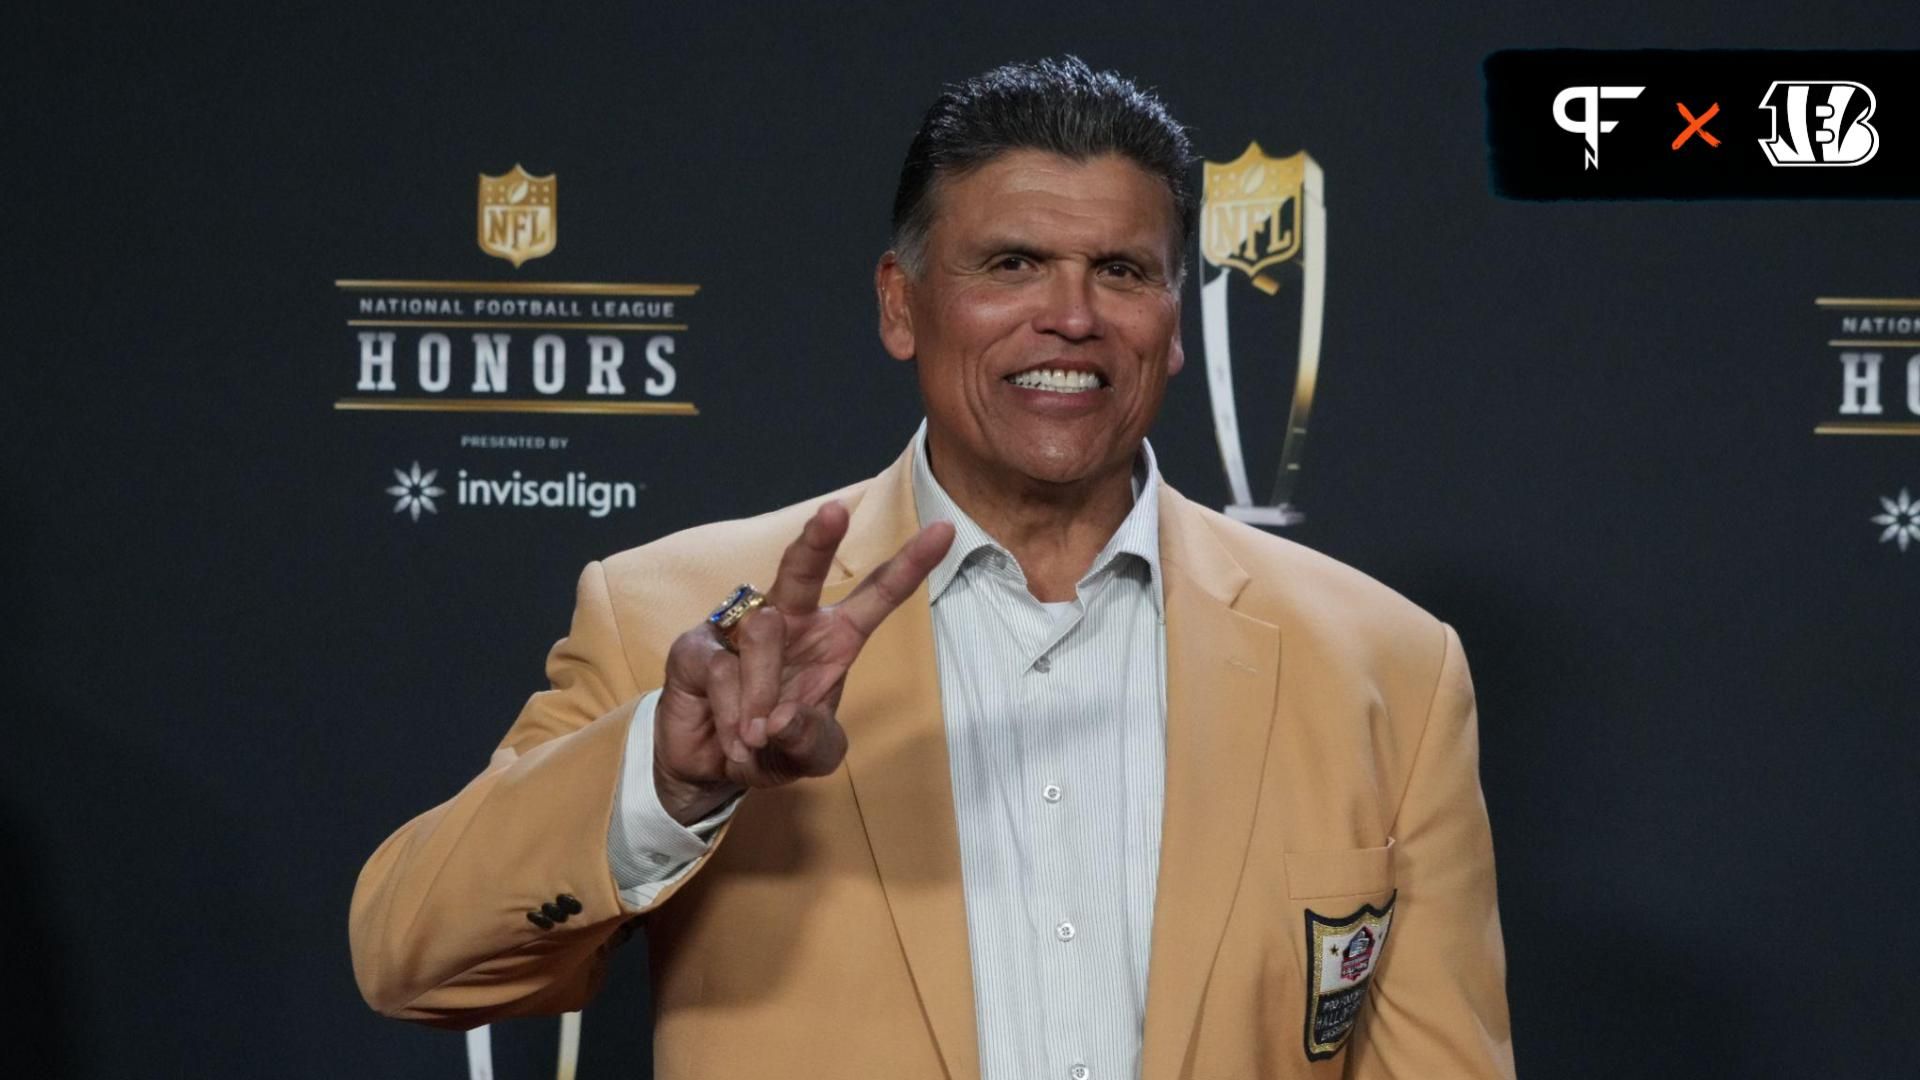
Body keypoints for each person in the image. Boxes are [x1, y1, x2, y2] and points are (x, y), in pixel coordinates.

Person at [350, 56, 1515, 1080]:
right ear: (902, 306)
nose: (1072, 317)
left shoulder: (1388, 666)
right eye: (1011, 263)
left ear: (1173, 313)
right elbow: (413, 959)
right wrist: (673, 776)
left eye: (1121, 269)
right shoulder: (675, 613)